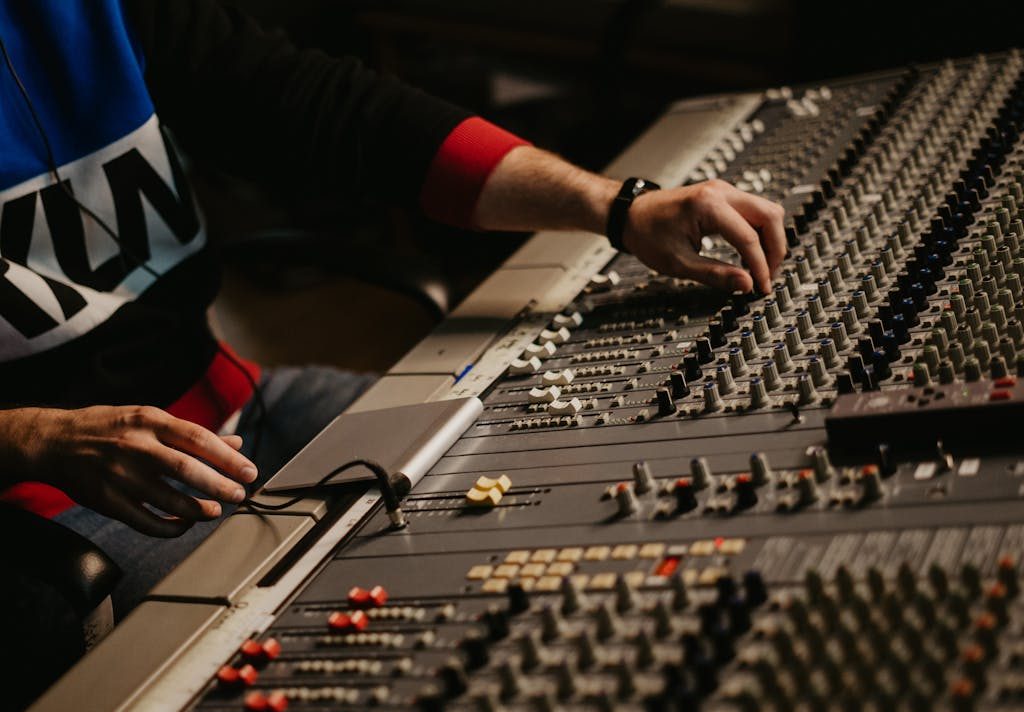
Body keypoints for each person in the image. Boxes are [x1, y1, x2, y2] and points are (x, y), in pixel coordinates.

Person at [0, 0, 784, 619]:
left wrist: (616, 207)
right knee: (363, 628)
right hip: (55, 496)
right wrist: (37, 435)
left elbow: (326, 107)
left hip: (236, 397)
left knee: (560, 463)